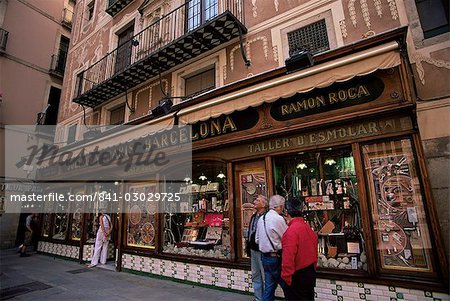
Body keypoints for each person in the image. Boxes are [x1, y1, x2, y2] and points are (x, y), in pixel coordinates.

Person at [281, 198, 318, 301]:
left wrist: (286, 277)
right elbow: (315, 252)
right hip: (309, 273)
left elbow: (288, 257)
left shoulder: (291, 232)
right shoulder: (308, 229)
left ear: (287, 213)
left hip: (297, 275)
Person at [255, 195, 288, 301]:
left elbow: (257, 239)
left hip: (264, 257)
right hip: (276, 258)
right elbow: (286, 237)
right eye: (282, 207)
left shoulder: (261, 219)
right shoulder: (278, 219)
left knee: (269, 287)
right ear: (279, 207)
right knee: (287, 286)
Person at [246, 195, 268, 301]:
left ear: (263, 204)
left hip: (262, 250)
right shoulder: (254, 216)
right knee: (255, 274)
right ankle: (258, 297)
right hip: (253, 249)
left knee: (264, 275)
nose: (254, 202)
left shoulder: (266, 217)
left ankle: (266, 298)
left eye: (257, 200)